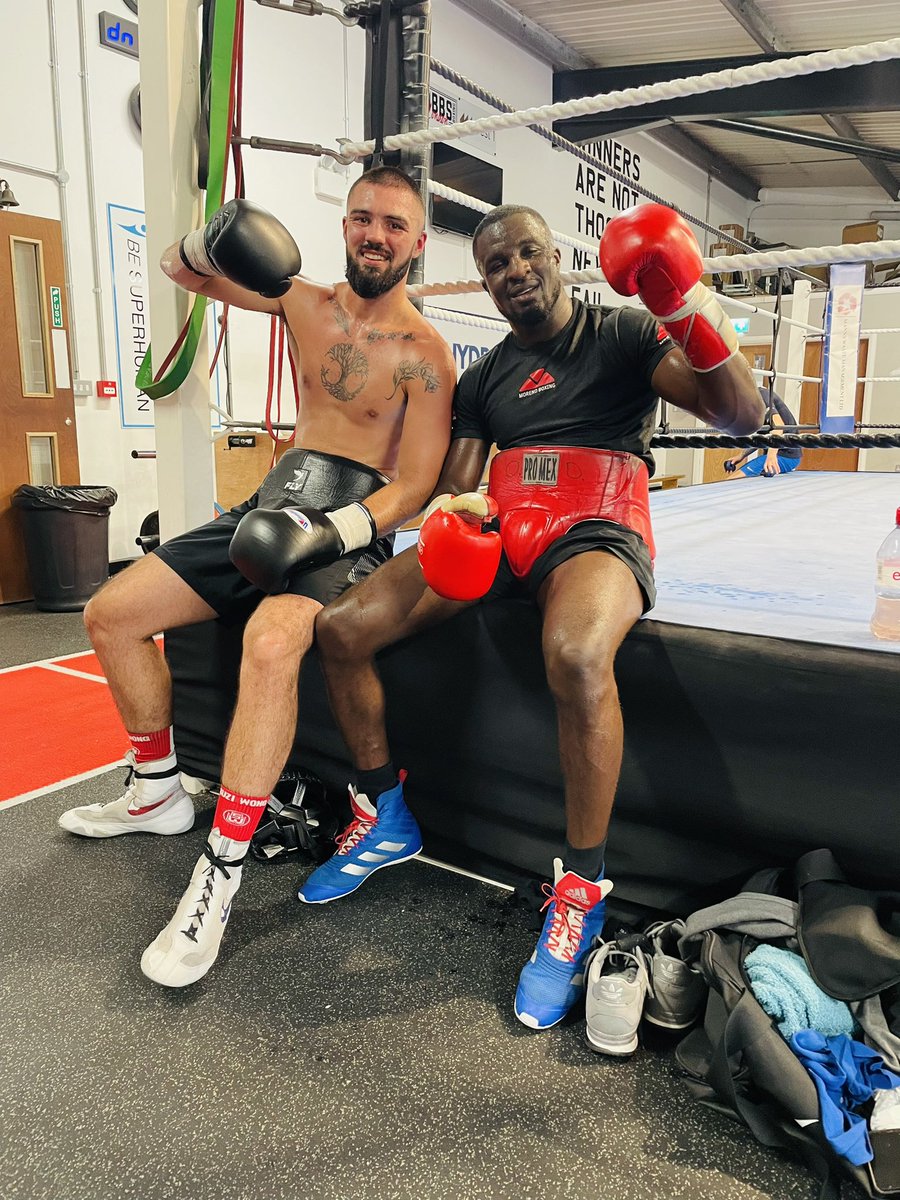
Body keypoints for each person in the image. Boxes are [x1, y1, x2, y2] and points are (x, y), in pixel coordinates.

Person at [310, 201, 766, 1030]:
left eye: (527, 254)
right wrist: (457, 517)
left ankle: (579, 893)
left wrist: (684, 299)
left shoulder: (624, 334)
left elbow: (740, 415)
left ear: (556, 255)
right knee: (341, 629)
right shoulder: (487, 378)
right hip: (506, 525)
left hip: (597, 524)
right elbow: (459, 481)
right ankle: (385, 816)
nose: (515, 271)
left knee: (578, 655)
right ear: (483, 282)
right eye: (496, 265)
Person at [57, 166, 456, 988]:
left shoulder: (426, 357)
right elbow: (179, 273)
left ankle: (222, 868)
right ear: (344, 226)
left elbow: (414, 486)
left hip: (349, 526)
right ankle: (157, 790)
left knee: (274, 642)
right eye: (361, 218)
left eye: (393, 224)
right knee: (113, 612)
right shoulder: (300, 301)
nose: (374, 235)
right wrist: (210, 234)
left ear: (418, 242)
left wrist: (332, 531)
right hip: (271, 504)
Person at [724, 386, 804, 477]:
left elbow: (778, 427)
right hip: (785, 455)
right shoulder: (753, 404)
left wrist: (771, 456)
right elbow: (761, 439)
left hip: (786, 456)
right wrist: (741, 456)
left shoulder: (760, 396)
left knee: (733, 479)